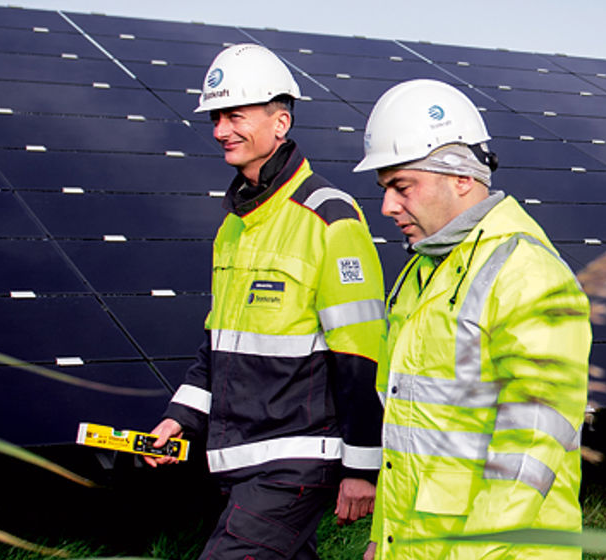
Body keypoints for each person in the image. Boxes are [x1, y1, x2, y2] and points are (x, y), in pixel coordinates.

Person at [147, 43, 386, 560]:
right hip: (241, 456)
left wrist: (362, 468)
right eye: (216, 117)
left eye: (235, 115)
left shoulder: (331, 218)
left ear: (280, 122)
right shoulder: (234, 226)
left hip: (298, 462)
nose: (220, 130)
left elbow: (362, 354)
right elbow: (218, 345)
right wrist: (179, 419)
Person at [353, 79, 591, 559]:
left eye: (402, 187)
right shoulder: (422, 271)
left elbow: (529, 450)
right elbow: (404, 432)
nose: (387, 207)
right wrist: (384, 538)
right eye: (385, 190)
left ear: (461, 177)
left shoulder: (527, 273)